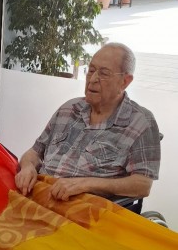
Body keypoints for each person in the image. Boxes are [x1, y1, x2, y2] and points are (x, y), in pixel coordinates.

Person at [15, 43, 161, 203]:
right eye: (91, 71)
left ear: (125, 82)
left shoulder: (141, 122)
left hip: (80, 210)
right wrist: (27, 167)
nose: (92, 79)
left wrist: (86, 184)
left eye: (103, 73)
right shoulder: (69, 109)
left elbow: (142, 185)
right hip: (36, 198)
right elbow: (34, 152)